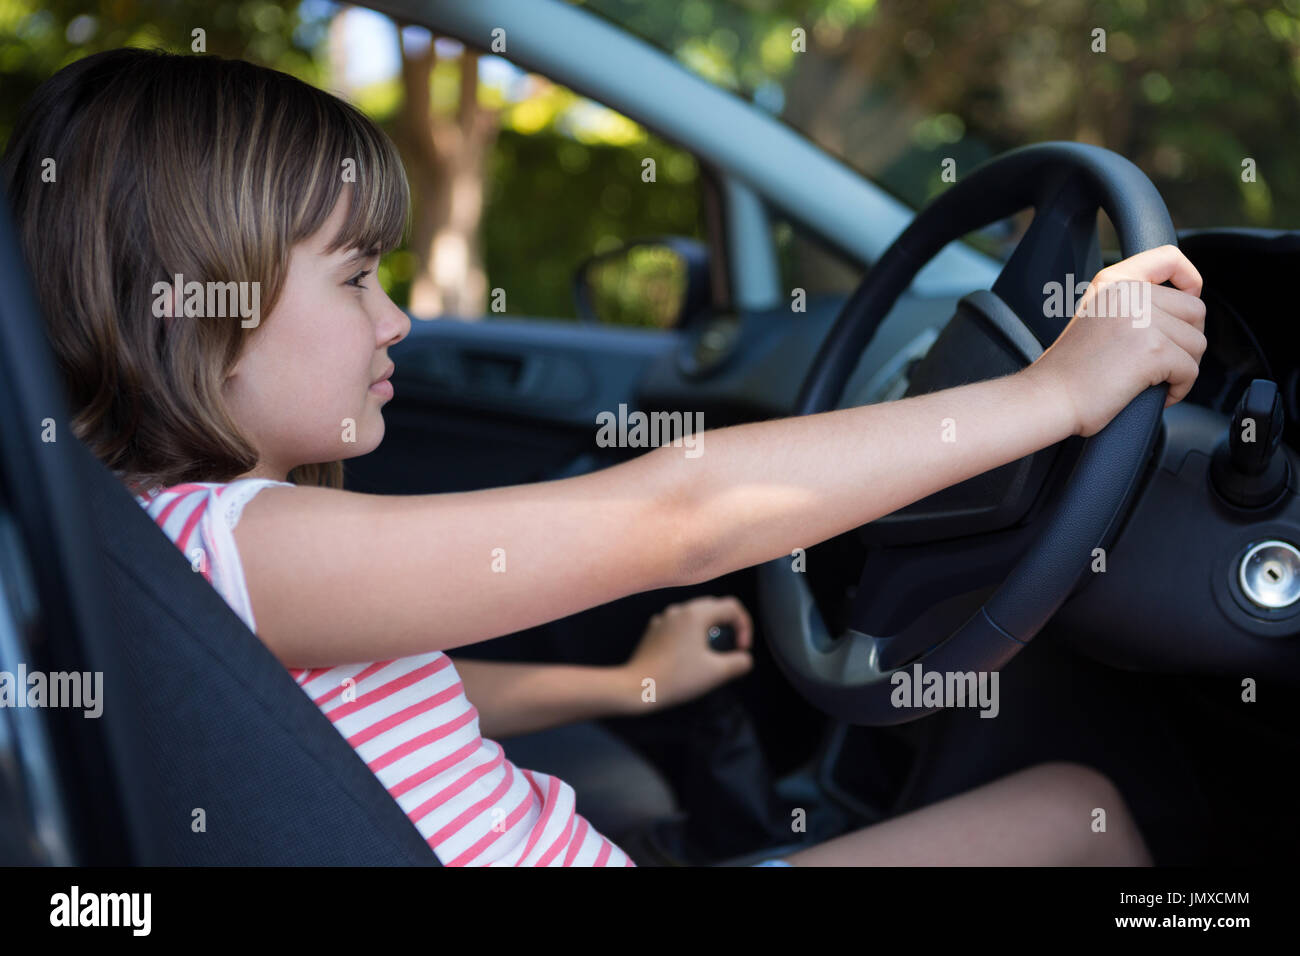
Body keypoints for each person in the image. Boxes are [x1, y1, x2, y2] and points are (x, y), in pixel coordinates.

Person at [3, 48, 1201, 867]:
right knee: (1082, 816)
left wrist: (627, 683)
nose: (396, 320)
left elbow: (365, 700)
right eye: (357, 279)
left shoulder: (160, 550)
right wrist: (1051, 391)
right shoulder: (238, 548)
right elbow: (679, 517)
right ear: (191, 308)